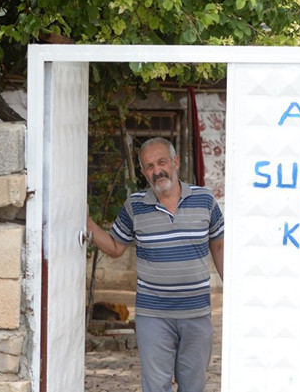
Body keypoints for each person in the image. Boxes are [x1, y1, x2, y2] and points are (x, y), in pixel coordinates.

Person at [87, 137, 224, 392]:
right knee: (155, 386)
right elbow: (116, 247)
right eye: (149, 166)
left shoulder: (204, 200)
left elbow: (219, 246)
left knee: (193, 386)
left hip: (197, 313)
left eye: (161, 162)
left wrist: (235, 287)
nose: (157, 170)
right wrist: (89, 227)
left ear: (175, 162)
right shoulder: (135, 206)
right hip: (154, 316)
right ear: (143, 172)